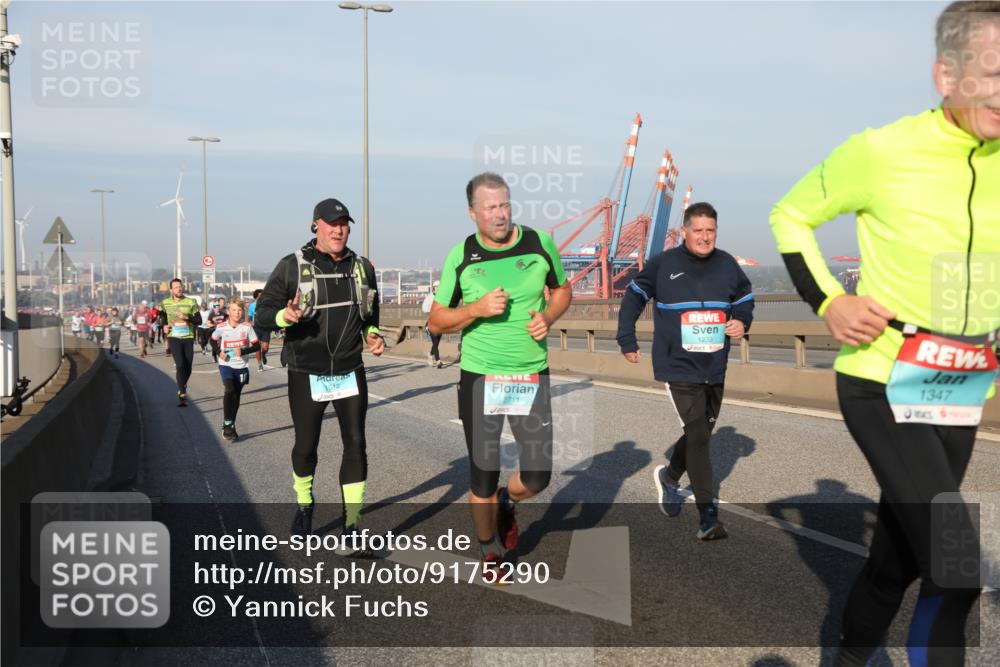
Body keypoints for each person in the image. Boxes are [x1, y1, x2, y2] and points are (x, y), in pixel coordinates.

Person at [770, 3, 999, 664]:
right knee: (956, 568)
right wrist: (830, 301)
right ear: (945, 74)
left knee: (896, 563)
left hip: (958, 379)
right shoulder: (882, 150)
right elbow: (790, 214)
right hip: (882, 373)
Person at [428, 172, 572, 579]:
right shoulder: (462, 256)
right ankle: (489, 550)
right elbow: (436, 321)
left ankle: (509, 503)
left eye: (505, 205)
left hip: (530, 374)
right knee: (483, 473)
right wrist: (475, 309)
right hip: (481, 377)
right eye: (490, 207)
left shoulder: (539, 243)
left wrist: (547, 315)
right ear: (473, 212)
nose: (500, 214)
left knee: (538, 476)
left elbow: (562, 290)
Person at [617, 202, 754, 540]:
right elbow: (633, 297)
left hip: (714, 365)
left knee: (701, 433)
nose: (705, 237)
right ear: (684, 232)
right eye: (698, 231)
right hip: (676, 364)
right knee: (698, 436)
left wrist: (741, 320)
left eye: (710, 231)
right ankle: (708, 516)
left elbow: (745, 297)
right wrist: (627, 338)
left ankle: (669, 477)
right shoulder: (663, 264)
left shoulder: (727, 265)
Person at [254, 198, 384, 549]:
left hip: (348, 369)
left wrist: (373, 334)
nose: (339, 229)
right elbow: (261, 314)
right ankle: (304, 505)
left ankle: (352, 525)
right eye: (332, 223)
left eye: (344, 223)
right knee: (306, 447)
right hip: (306, 371)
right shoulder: (292, 265)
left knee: (356, 445)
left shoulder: (362, 267)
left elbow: (371, 314)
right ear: (316, 226)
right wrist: (285, 316)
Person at [211, 297, 260, 441]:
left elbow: (257, 346)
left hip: (242, 366)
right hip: (226, 364)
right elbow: (212, 340)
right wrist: (219, 351)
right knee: (229, 389)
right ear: (228, 311)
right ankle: (227, 424)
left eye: (239, 310)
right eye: (234, 310)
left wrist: (243, 352)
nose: (237, 313)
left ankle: (231, 423)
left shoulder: (247, 327)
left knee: (236, 395)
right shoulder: (221, 327)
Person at [158, 279, 202, 407]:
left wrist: (187, 317)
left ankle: (182, 384)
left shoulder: (191, 302)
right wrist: (164, 326)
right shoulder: (165, 303)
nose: (179, 289)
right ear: (171, 290)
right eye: (176, 287)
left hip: (188, 337)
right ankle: (182, 393)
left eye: (180, 287)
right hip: (174, 336)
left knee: (188, 367)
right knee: (180, 364)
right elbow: (162, 317)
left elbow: (198, 321)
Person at [248, 288, 272, 372]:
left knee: (265, 348)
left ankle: (263, 354)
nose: (261, 298)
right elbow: (249, 317)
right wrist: (250, 322)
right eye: (259, 296)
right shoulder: (252, 306)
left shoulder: (267, 305)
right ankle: (259, 364)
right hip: (256, 328)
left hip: (266, 327)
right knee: (257, 347)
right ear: (255, 297)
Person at [422, 281, 443, 368]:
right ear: (433, 288)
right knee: (435, 342)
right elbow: (424, 308)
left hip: (440, 323)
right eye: (436, 287)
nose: (438, 288)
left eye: (439, 287)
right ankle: (438, 360)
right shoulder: (429, 297)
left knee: (436, 342)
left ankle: (430, 354)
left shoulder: (442, 297)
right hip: (431, 323)